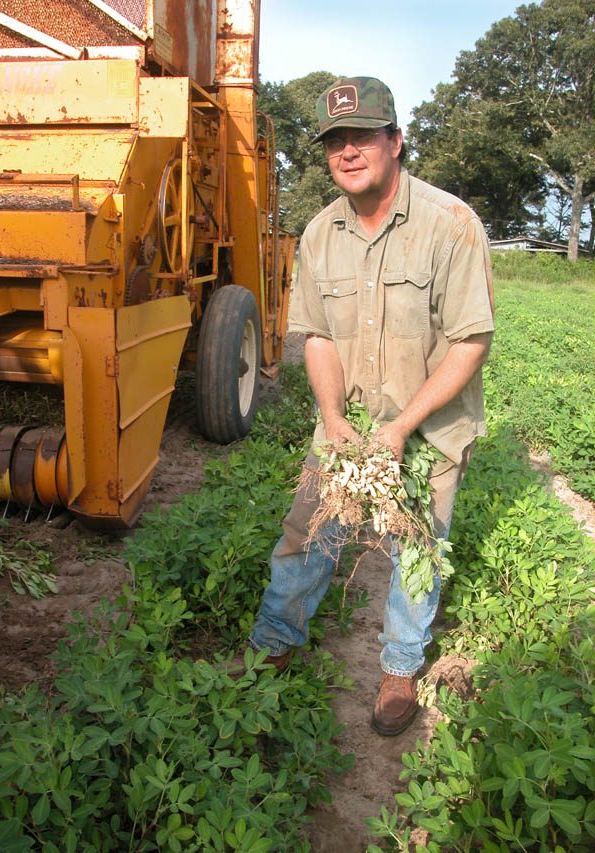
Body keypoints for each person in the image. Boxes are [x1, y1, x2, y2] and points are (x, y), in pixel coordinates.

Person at [245, 76, 494, 736]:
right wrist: (333, 419)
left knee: (417, 547)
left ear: (395, 140)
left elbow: (471, 341)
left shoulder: (451, 224)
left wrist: (403, 426)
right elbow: (318, 335)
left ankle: (399, 668)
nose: (347, 151)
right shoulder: (321, 233)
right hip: (348, 425)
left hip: (429, 425)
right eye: (335, 140)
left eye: (361, 136)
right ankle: (276, 637)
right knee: (307, 531)